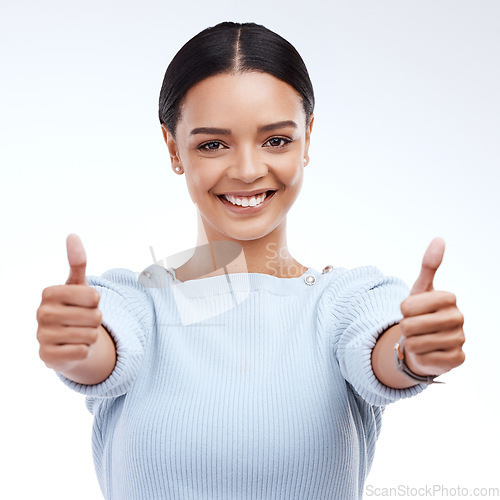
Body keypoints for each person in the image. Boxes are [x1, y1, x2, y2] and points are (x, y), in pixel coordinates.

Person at [36, 21, 465, 500]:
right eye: (212, 144)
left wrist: (414, 352)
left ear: (308, 137)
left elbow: (385, 348)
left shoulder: (346, 302)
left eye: (276, 140)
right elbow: (99, 351)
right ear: (173, 148)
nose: (246, 170)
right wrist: (75, 343)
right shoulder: (132, 305)